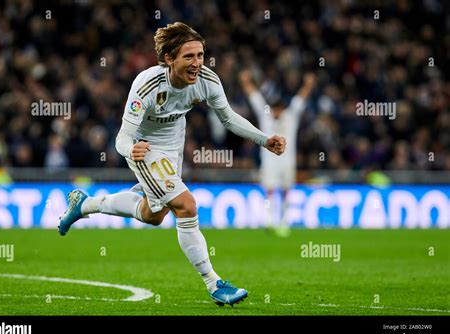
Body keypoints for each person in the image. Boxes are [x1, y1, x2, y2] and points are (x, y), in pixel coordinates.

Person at [58, 22, 286, 306]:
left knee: (154, 215)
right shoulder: (147, 84)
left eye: (201, 55)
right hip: (144, 146)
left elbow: (228, 118)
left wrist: (265, 139)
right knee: (186, 205)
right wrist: (132, 150)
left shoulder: (207, 80)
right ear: (169, 59)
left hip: (174, 142)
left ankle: (84, 205)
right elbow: (122, 138)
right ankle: (214, 283)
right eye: (189, 57)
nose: (197, 63)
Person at [239, 70, 316, 237]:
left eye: (278, 109)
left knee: (287, 191)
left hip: (287, 162)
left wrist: (308, 84)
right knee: (270, 190)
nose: (276, 113)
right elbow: (255, 98)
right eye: (274, 109)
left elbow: (301, 98)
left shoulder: (291, 116)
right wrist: (246, 82)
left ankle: (284, 222)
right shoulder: (266, 117)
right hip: (269, 162)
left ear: (282, 109)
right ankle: (269, 221)